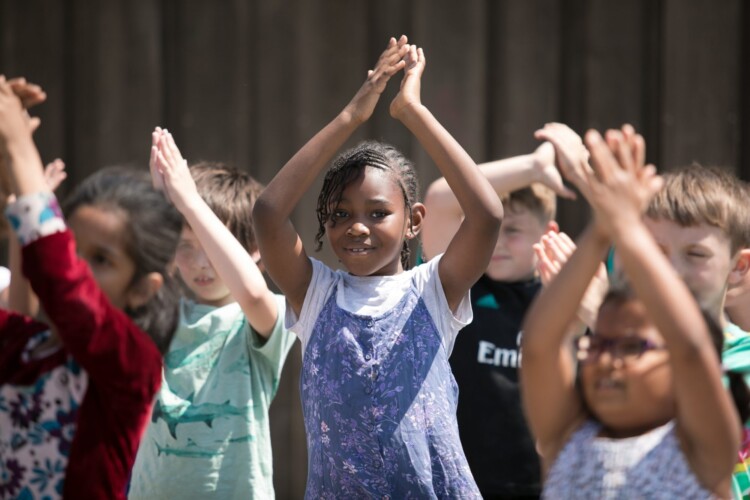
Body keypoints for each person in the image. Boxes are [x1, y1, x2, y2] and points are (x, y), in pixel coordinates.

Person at [252, 36, 502, 498]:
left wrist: (413, 113)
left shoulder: (432, 290)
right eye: (340, 213)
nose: (357, 227)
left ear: (414, 222)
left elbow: (486, 215)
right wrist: (352, 116)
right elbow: (268, 214)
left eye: (378, 213)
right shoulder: (316, 294)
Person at [521, 126, 747, 498]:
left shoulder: (702, 454)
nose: (609, 361)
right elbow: (538, 347)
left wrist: (623, 225)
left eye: (631, 348)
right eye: (598, 345)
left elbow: (692, 349)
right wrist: (602, 229)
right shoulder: (569, 436)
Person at [0, 76, 182, 499]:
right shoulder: (22, 344)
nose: (76, 266)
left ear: (142, 289)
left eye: (101, 260)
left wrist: (17, 149)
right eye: (72, 247)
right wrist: (9, 167)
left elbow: (62, 281)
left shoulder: (132, 366)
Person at [421, 142, 597, 498]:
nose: (498, 243)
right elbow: (440, 198)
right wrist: (534, 166)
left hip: (540, 485)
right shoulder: (458, 286)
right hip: (456, 484)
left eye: (512, 230)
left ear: (548, 232)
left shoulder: (566, 297)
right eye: (492, 229)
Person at [128, 129, 296, 499]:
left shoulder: (265, 316)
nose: (200, 262)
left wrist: (189, 203)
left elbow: (253, 292)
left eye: (210, 243)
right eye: (185, 245)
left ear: (254, 250)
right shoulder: (161, 313)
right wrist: (162, 207)